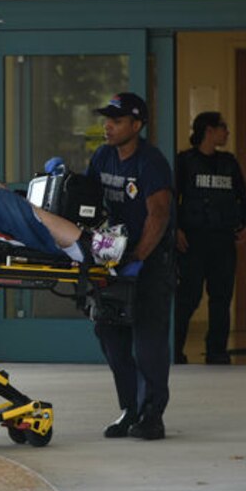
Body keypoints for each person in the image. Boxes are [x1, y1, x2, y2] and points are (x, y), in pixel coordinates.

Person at [86, 92, 174, 441]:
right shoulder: (103, 156)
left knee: (148, 342)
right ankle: (130, 409)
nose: (108, 126)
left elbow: (159, 214)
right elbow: (90, 201)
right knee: (111, 337)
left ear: (137, 125)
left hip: (149, 263)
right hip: (113, 259)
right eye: (106, 119)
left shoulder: (150, 162)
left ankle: (153, 414)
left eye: (117, 120)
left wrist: (138, 256)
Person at [173, 112, 246, 365]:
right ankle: (174, 349)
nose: (226, 133)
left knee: (221, 297)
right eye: (223, 128)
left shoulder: (228, 162)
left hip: (222, 239)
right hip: (193, 240)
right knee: (188, 296)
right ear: (209, 130)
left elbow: (241, 195)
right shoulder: (185, 162)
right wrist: (175, 229)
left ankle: (217, 351)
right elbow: (172, 199)